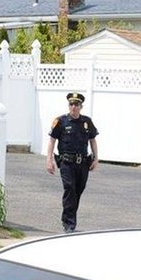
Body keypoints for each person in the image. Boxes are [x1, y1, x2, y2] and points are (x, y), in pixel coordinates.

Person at [45, 92, 100, 233]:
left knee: (78, 191)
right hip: (67, 163)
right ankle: (69, 223)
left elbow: (92, 140)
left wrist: (96, 158)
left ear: (81, 107)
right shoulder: (61, 121)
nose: (73, 107)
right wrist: (49, 159)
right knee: (69, 189)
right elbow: (52, 140)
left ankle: (70, 218)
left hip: (83, 164)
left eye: (76, 104)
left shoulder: (87, 122)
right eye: (71, 104)